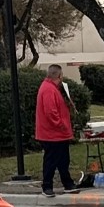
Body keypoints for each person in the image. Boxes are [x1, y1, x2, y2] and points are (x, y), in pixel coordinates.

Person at [35, 64, 78, 198]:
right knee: (51, 160)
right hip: (52, 134)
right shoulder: (49, 89)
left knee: (63, 159)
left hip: (57, 134)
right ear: (59, 76)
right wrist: (61, 125)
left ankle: (68, 183)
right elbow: (51, 112)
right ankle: (47, 186)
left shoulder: (51, 88)